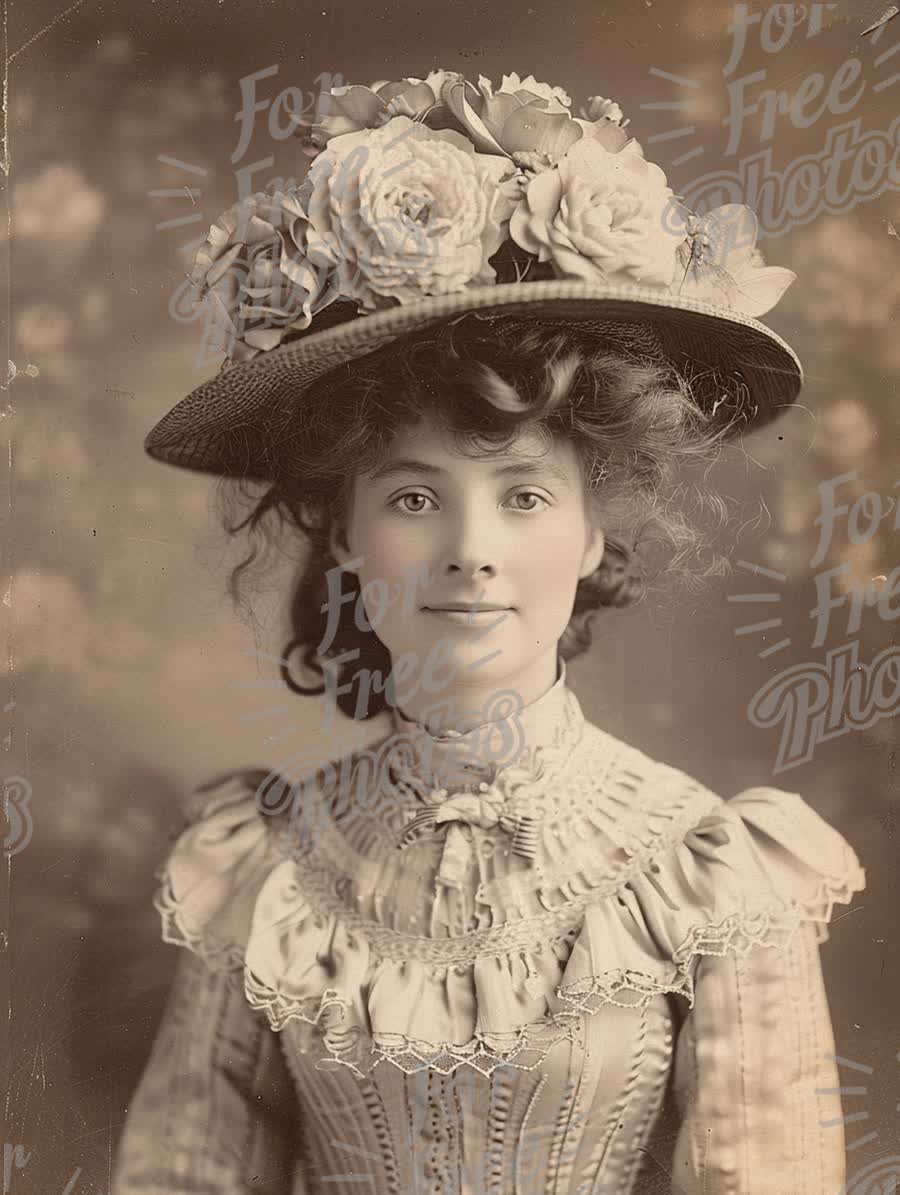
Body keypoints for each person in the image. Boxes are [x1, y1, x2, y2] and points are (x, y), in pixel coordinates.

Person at [112, 69, 866, 1194]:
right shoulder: (267, 870)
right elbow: (179, 1177)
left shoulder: (707, 872)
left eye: (523, 496)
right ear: (346, 534)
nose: (472, 550)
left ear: (594, 536)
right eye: (414, 498)